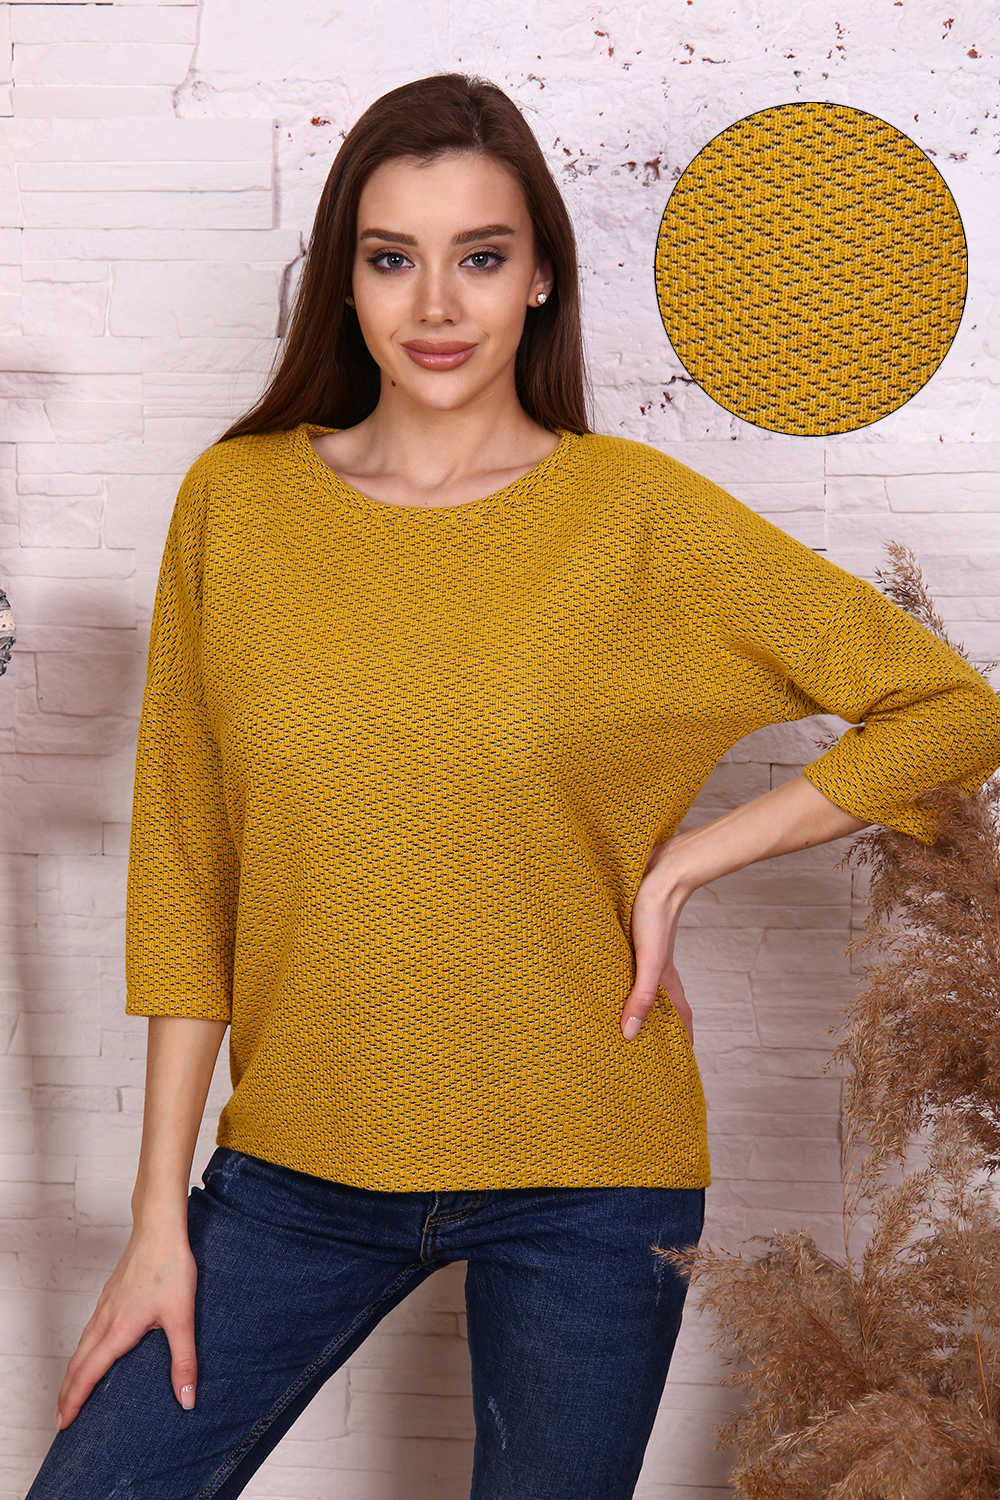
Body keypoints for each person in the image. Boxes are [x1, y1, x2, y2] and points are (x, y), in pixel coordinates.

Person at [27, 73, 1000, 1500]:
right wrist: (158, 1222)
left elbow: (952, 709)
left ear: (540, 275)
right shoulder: (237, 505)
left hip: (589, 1171)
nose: (437, 304)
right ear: (344, 280)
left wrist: (687, 864)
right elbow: (188, 871)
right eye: (392, 258)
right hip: (297, 1167)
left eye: (480, 256)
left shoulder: (635, 517)